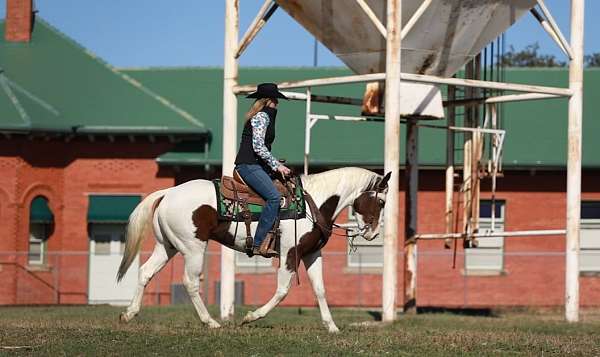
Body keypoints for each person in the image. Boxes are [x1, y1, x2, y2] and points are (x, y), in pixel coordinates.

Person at [234, 83, 292, 257]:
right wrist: (277, 165)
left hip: (255, 165)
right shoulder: (262, 117)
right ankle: (257, 244)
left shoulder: (262, 116)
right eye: (276, 100)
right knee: (274, 198)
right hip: (248, 165)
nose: (277, 104)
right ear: (269, 101)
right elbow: (258, 147)